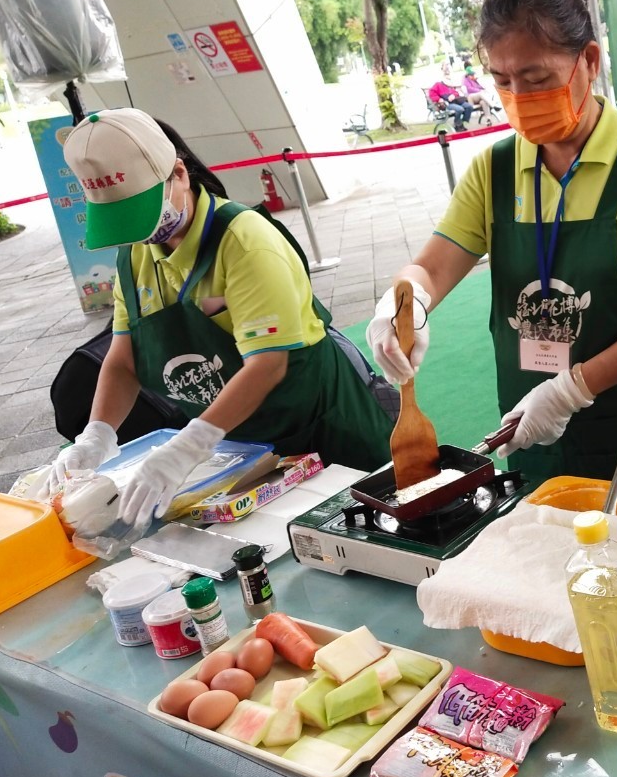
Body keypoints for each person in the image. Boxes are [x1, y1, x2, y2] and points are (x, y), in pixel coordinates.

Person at [368, 0, 617, 535]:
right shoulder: (497, 167)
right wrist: (404, 304)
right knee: (550, 564)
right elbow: (433, 265)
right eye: (502, 81)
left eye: (536, 78)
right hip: (530, 423)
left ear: (589, 60)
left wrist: (571, 389)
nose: (518, 98)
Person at [44, 108, 395, 528]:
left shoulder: (245, 242)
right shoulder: (135, 257)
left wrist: (189, 446)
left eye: (139, 210)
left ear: (178, 173)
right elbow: (123, 361)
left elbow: (267, 365)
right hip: (238, 444)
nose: (137, 233)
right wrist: (97, 435)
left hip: (322, 429)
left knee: (363, 525)